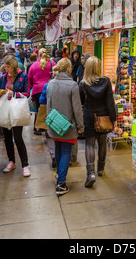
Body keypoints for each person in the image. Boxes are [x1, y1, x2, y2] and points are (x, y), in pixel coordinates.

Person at [46, 58, 84, 195]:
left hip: (54, 124)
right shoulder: (73, 85)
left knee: (58, 149)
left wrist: (49, 123)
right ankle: (61, 183)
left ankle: (59, 176)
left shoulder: (50, 84)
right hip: (68, 126)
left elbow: (48, 106)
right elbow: (77, 109)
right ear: (68, 69)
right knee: (66, 151)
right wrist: (80, 126)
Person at [79, 56, 116, 188]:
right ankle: (100, 169)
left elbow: (81, 102)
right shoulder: (106, 81)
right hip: (104, 116)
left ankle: (90, 174)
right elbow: (110, 103)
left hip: (89, 116)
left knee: (89, 144)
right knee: (102, 142)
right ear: (98, 67)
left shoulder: (83, 84)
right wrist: (114, 119)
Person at [0, 55, 31, 177]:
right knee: (7, 137)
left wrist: (14, 93)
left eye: (8, 67)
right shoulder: (3, 77)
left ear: (13, 66)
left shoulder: (23, 76)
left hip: (17, 110)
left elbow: (27, 93)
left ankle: (25, 165)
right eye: (5, 67)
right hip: (6, 110)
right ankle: (11, 161)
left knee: (18, 137)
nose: (6, 69)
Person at [28, 48, 56, 134]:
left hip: (37, 90)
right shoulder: (52, 63)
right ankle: (48, 129)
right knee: (49, 109)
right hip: (50, 89)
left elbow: (30, 79)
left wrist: (31, 89)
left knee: (38, 109)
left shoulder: (33, 65)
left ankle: (37, 127)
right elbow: (56, 75)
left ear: (38, 55)